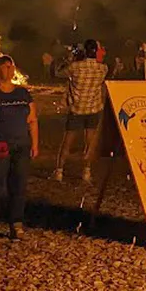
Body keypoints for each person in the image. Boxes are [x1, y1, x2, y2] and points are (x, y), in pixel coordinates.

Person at [0, 55, 38, 243]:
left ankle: (16, 224)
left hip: (21, 147)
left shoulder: (23, 94)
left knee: (18, 186)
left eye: (11, 66)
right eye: (5, 67)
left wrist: (34, 143)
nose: (9, 70)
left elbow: (33, 120)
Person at [54, 39, 107, 183]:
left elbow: (58, 73)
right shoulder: (103, 69)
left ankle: (59, 171)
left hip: (77, 109)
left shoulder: (75, 67)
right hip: (93, 109)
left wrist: (68, 59)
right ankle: (86, 172)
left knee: (67, 142)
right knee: (90, 143)